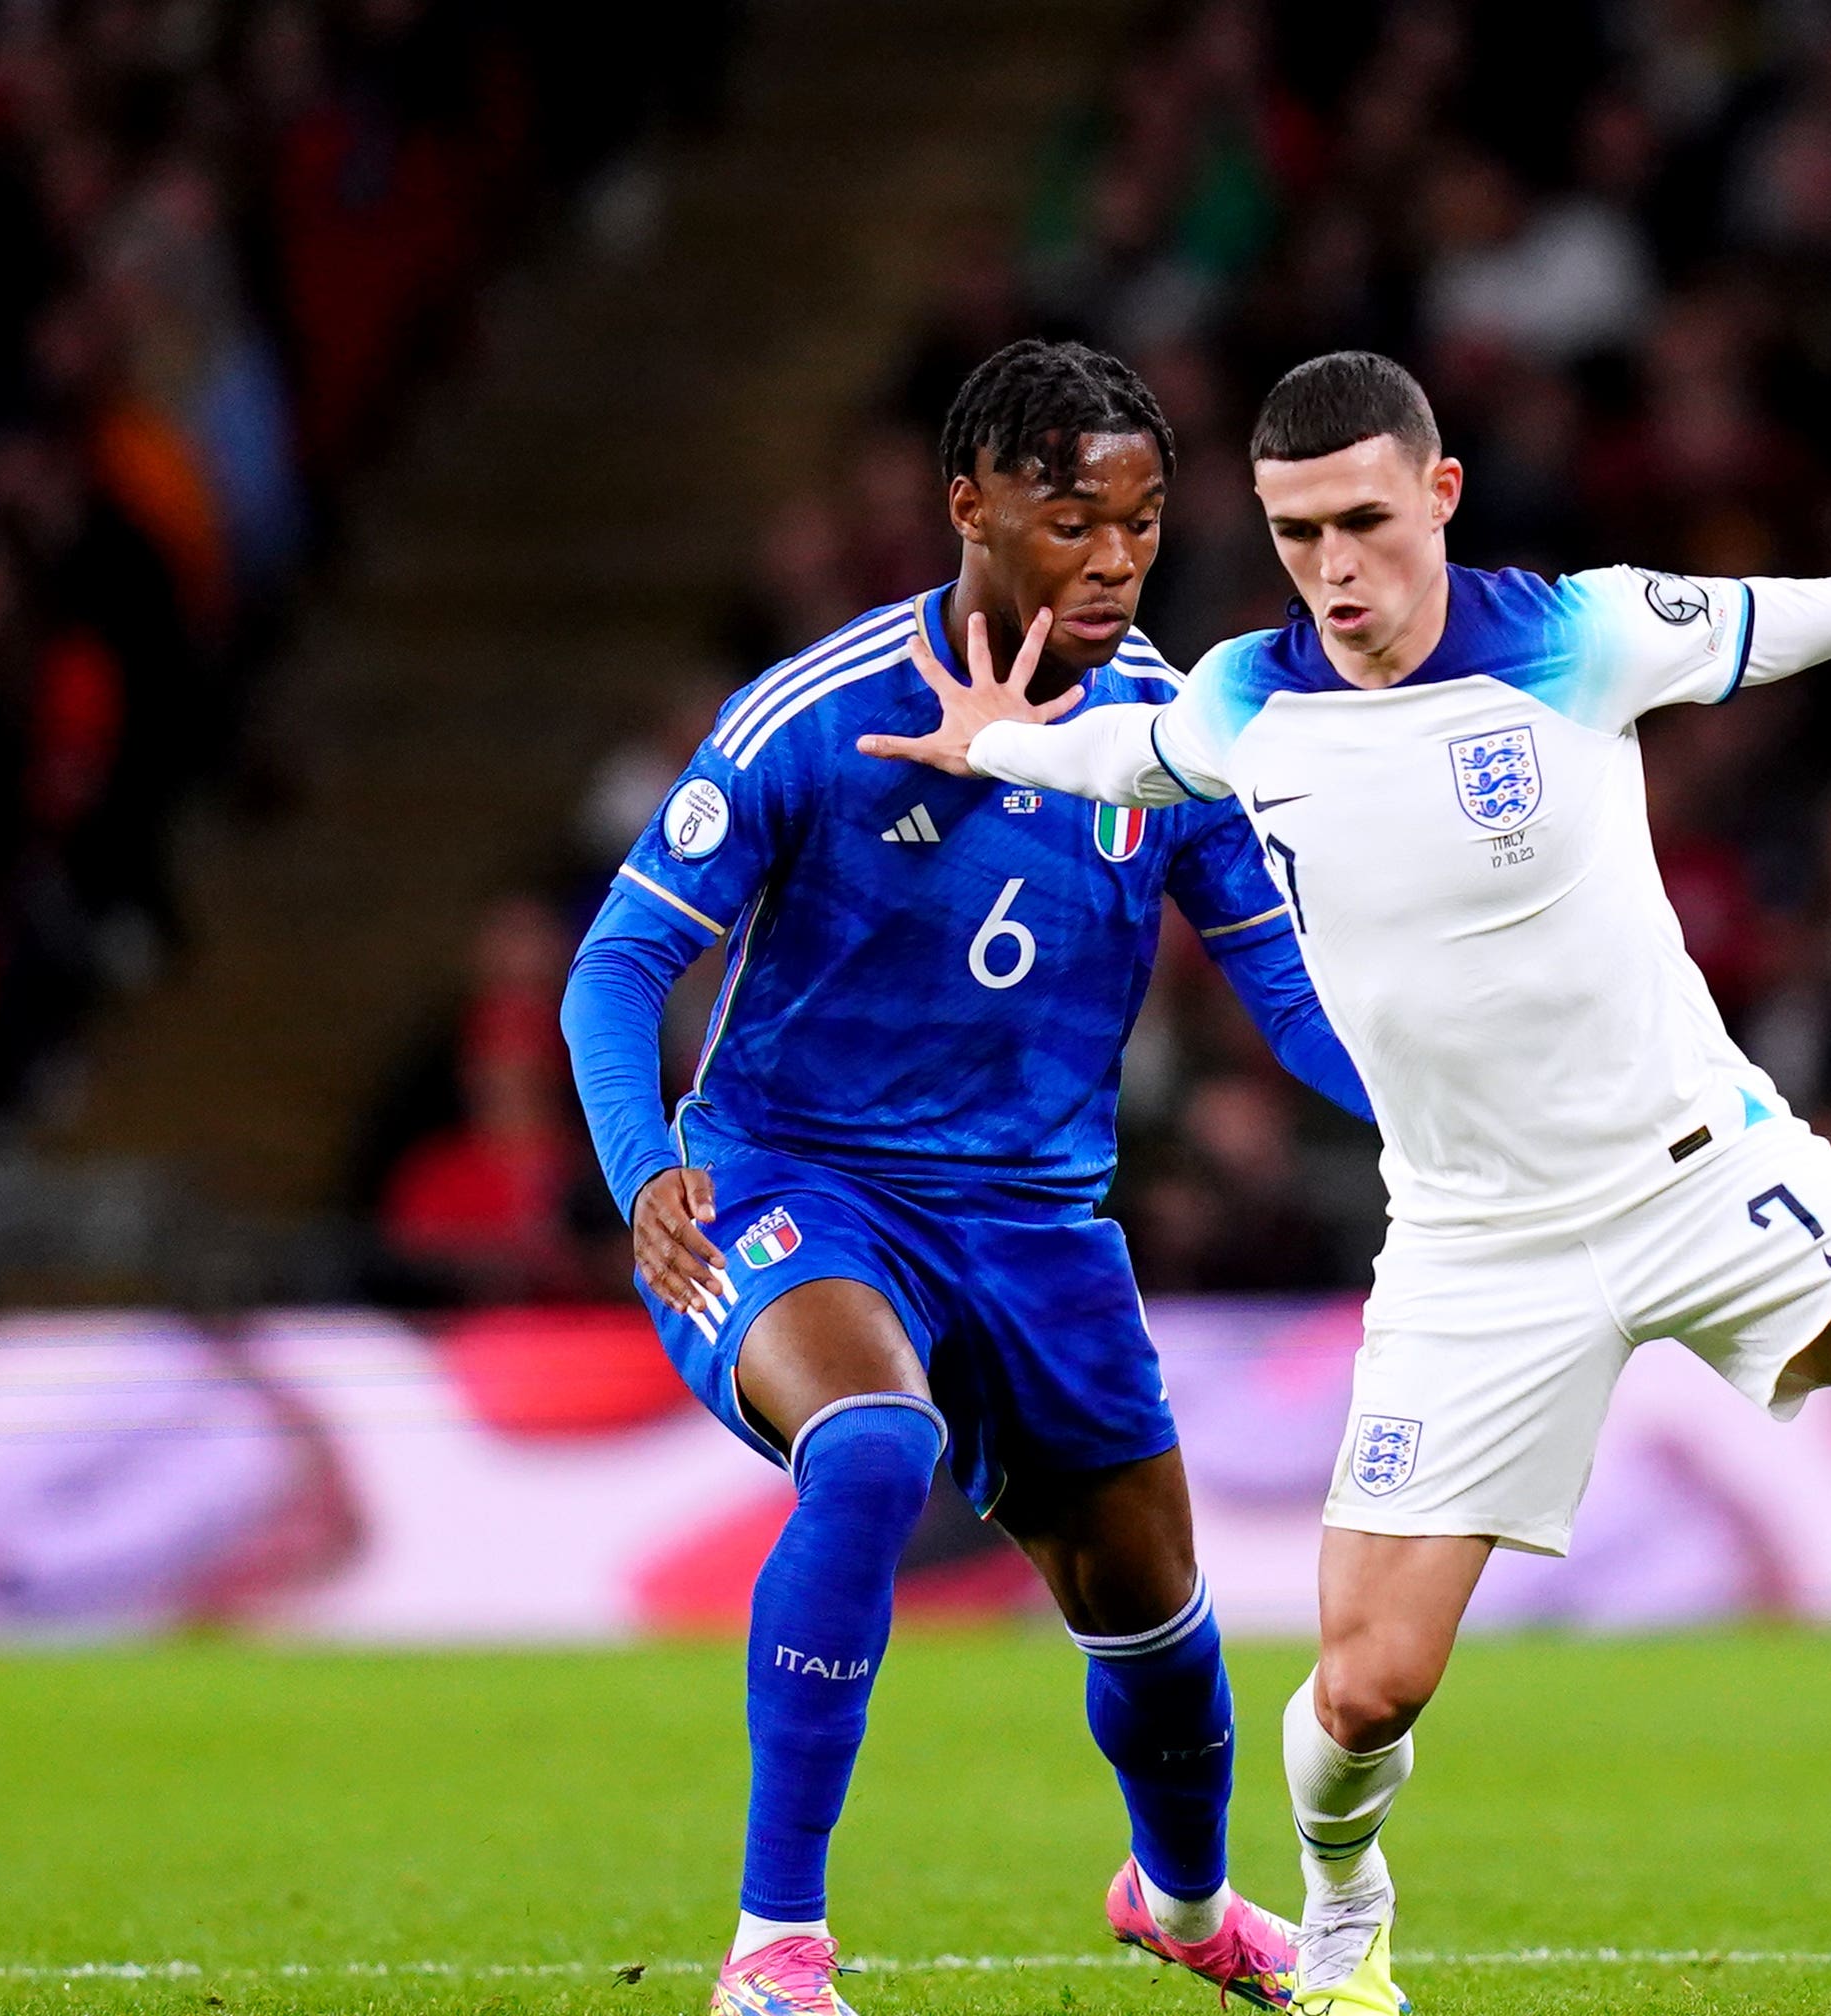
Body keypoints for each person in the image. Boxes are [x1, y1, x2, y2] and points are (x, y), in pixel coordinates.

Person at [869, 350, 1831, 2013]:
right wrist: (987, 751)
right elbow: (1127, 763)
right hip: (1475, 1251)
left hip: (1703, 1168)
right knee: (1365, 1691)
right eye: (1299, 532)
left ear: (1441, 497)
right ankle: (1345, 1917)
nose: (1336, 570)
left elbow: (1819, 613)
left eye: (1367, 525)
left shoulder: (1576, 632)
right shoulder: (1248, 701)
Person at [562, 340, 1369, 2016]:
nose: (1114, 558)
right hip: (799, 1187)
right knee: (871, 1451)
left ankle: (1187, 1902)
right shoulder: (819, 712)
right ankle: (774, 1949)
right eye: (1074, 518)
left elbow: (1285, 990)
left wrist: (1445, 1113)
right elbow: (617, 969)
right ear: (969, 508)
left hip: (1038, 1229)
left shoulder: (1170, 737)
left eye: (1144, 525)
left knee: (1153, 1610)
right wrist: (645, 1168)